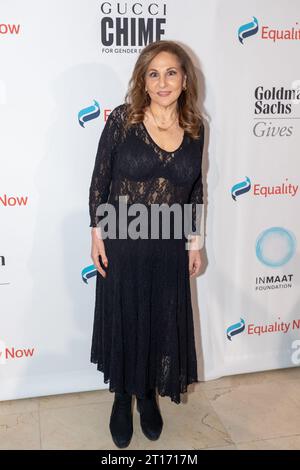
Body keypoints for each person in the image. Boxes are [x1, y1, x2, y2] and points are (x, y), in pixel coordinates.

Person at [89, 40, 205, 448]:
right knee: (125, 317)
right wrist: (96, 233)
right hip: (124, 241)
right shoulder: (124, 120)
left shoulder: (195, 127)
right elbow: (100, 180)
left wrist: (195, 243)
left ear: (185, 79)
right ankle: (122, 396)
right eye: (153, 73)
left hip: (169, 247)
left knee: (158, 319)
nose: (162, 81)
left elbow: (195, 190)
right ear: (143, 79)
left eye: (170, 72)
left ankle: (147, 396)